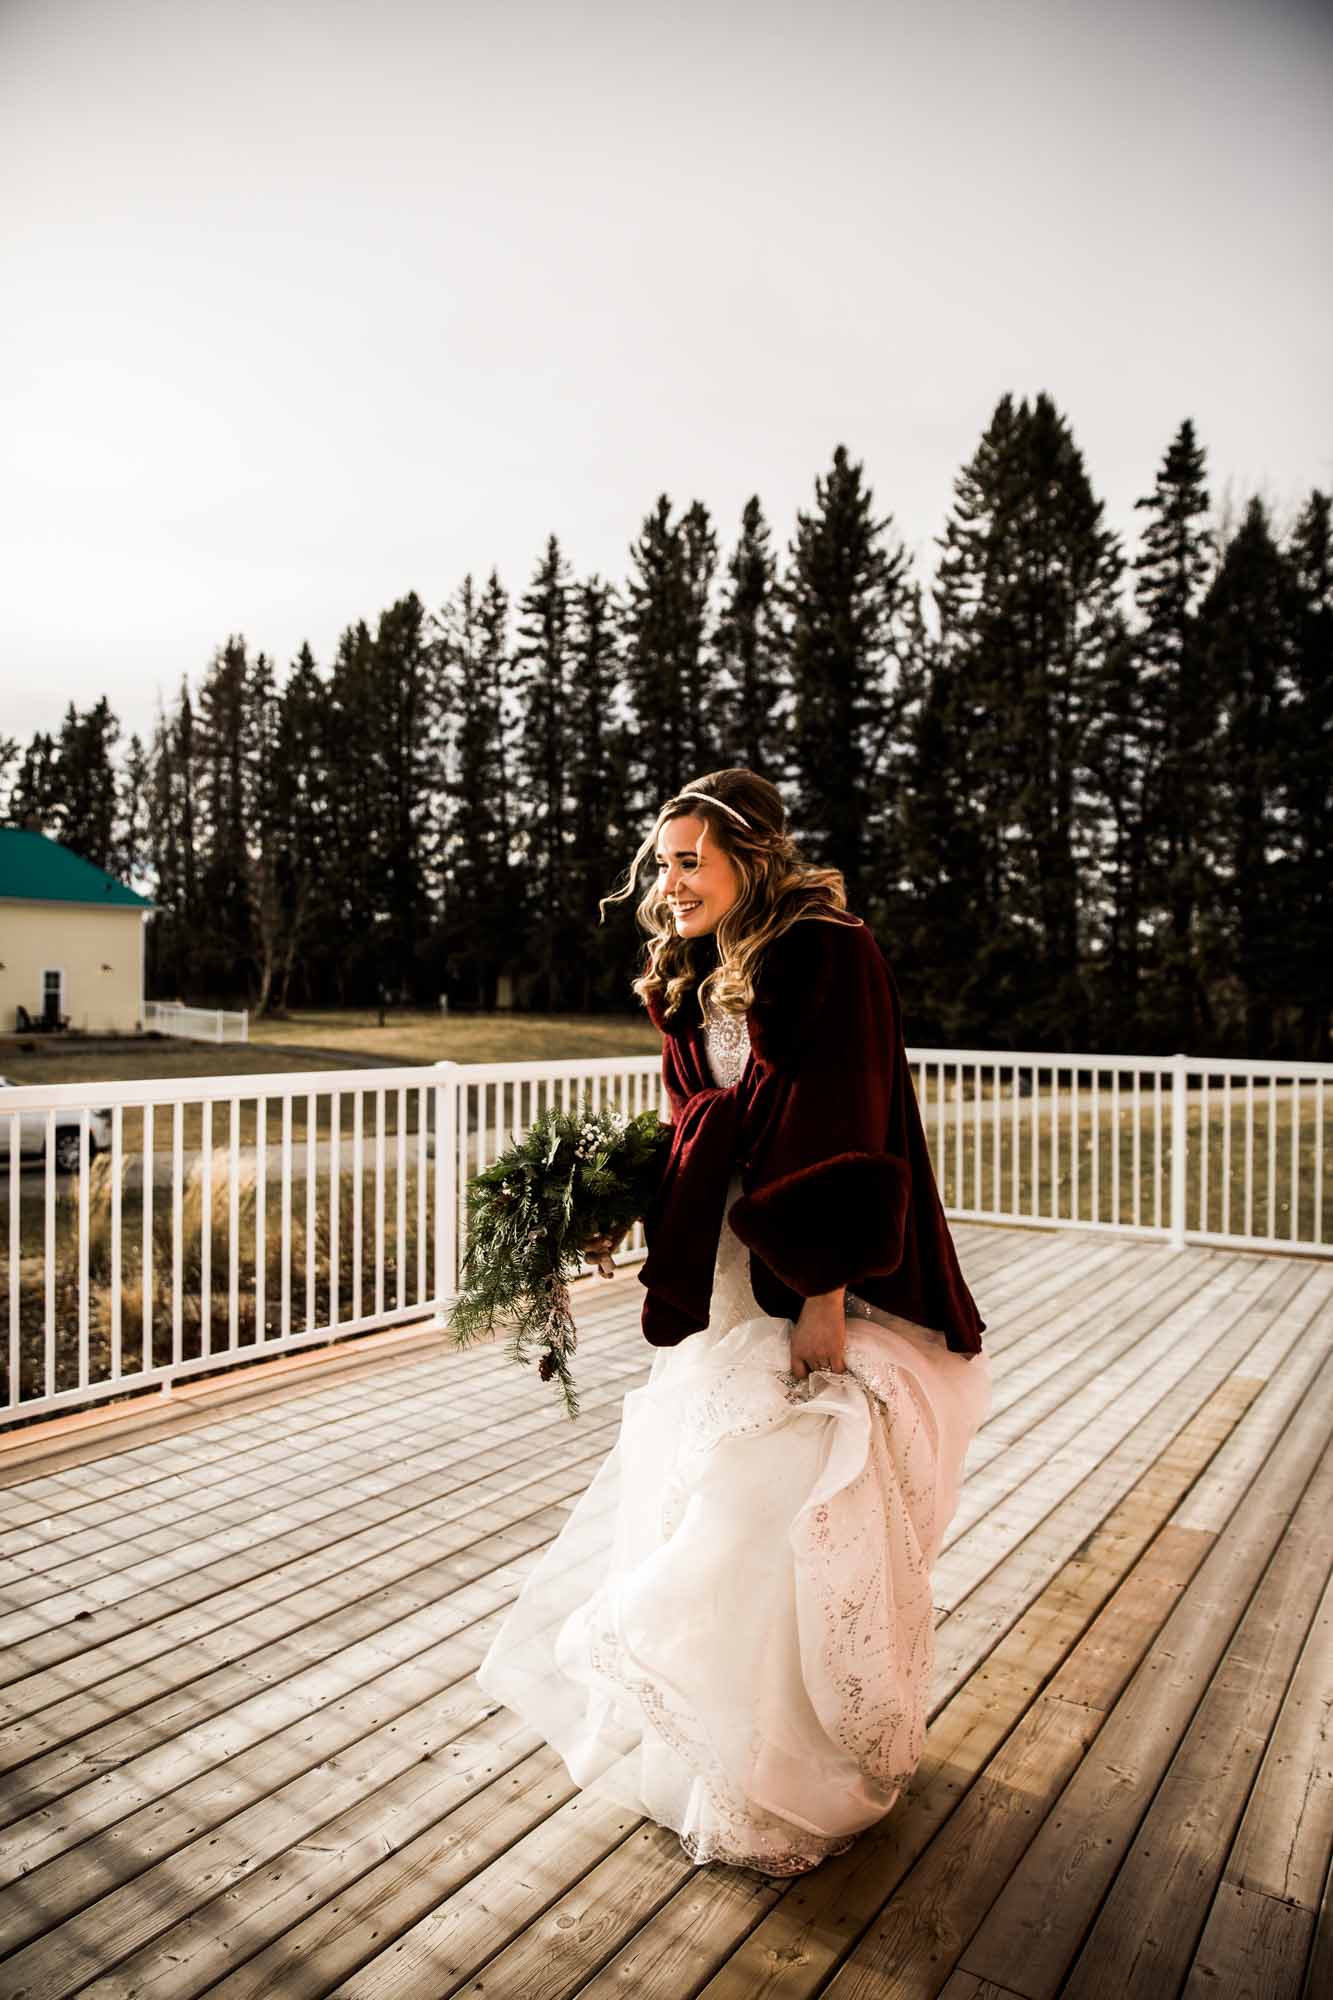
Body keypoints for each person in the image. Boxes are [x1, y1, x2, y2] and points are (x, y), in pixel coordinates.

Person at [474, 768, 991, 1875]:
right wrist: (630, 1205)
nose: (668, 883)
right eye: (660, 863)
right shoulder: (694, 968)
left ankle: (793, 1772)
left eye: (688, 861)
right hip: (723, 1273)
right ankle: (717, 1753)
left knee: (776, 1504)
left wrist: (820, 1296)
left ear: (751, 855)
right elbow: (697, 1128)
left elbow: (850, 1122)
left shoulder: (828, 951)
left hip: (819, 1273)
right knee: (704, 1482)